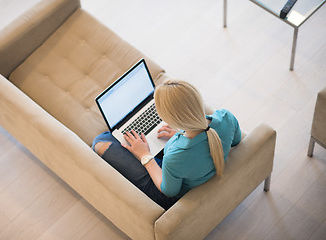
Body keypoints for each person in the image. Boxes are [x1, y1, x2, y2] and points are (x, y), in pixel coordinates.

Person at [92, 80, 241, 210]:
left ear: (170, 119)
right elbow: (236, 140)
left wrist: (145, 155)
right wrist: (182, 133)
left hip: (168, 191)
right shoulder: (226, 117)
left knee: (101, 141)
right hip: (186, 164)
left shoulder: (175, 156)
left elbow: (168, 191)